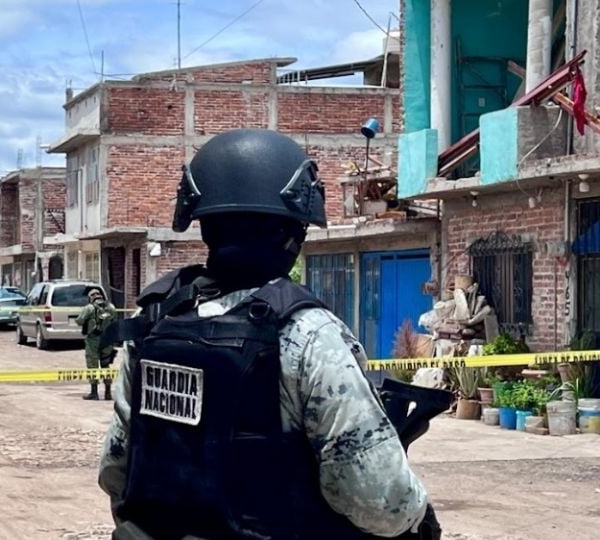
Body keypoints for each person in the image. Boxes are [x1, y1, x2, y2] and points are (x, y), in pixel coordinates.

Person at [96, 129, 439, 539]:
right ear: (291, 232)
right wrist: (419, 513)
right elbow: (380, 503)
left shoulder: (154, 318)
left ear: (205, 225)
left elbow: (117, 469)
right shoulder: (307, 334)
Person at [75, 288, 118, 401]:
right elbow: (115, 322)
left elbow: (79, 321)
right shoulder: (111, 307)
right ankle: (108, 393)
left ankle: (94, 393)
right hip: (107, 340)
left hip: (93, 341)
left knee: (92, 366)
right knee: (106, 366)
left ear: (90, 297)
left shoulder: (89, 308)